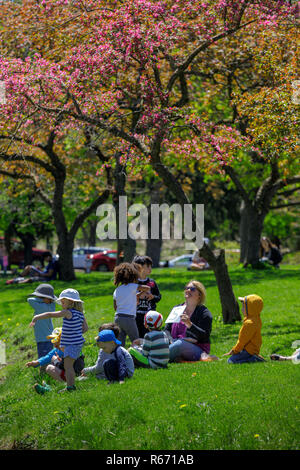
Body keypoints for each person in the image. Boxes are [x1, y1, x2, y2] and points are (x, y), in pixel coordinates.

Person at [29, 288, 88, 392]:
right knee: (68, 365)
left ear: (70, 302)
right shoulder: (81, 313)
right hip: (77, 344)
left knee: (68, 366)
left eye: (63, 302)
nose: (61, 304)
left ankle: (70, 387)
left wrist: (36, 317)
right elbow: (85, 328)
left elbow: (50, 314)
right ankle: (71, 384)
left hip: (71, 344)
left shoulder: (67, 312)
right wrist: (75, 332)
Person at [164, 280, 217, 362]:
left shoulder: (204, 313)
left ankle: (158, 359)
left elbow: (205, 336)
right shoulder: (177, 308)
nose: (188, 290)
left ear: (199, 294)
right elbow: (167, 329)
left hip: (197, 347)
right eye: (186, 288)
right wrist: (170, 340)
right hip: (174, 342)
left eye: (192, 289)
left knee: (179, 344)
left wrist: (190, 325)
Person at [26, 327, 85, 394]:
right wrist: (37, 362)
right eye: (53, 340)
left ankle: (65, 385)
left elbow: (74, 367)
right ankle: (55, 384)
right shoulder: (62, 349)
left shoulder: (68, 351)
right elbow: (49, 356)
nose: (54, 343)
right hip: (69, 374)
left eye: (56, 339)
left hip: (72, 375)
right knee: (47, 364)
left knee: (49, 367)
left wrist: (56, 361)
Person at [113, 262, 151, 347]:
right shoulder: (133, 286)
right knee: (136, 341)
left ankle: (120, 358)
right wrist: (142, 294)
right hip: (129, 318)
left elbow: (115, 307)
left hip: (118, 318)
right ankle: (138, 357)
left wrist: (135, 296)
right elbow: (147, 288)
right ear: (133, 275)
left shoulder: (117, 290)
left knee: (120, 342)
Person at [223, 295, 265, 364]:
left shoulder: (249, 323)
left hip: (248, 351)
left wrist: (234, 351)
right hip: (253, 349)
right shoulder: (256, 319)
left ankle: (254, 359)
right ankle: (254, 356)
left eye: (244, 307)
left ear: (251, 309)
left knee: (230, 361)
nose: (241, 309)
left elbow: (242, 341)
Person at [132, 255, 162, 338]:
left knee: (149, 336)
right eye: (147, 266)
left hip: (150, 316)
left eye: (151, 266)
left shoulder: (152, 283)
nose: (150, 269)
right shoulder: (132, 283)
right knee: (137, 336)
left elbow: (159, 297)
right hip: (136, 315)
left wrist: (153, 297)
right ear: (138, 267)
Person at [27, 283, 57, 359]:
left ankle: (45, 370)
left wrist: (41, 299)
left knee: (44, 358)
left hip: (43, 338)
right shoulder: (51, 305)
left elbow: (29, 299)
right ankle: (47, 369)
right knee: (47, 357)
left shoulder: (41, 307)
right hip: (45, 337)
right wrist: (44, 299)